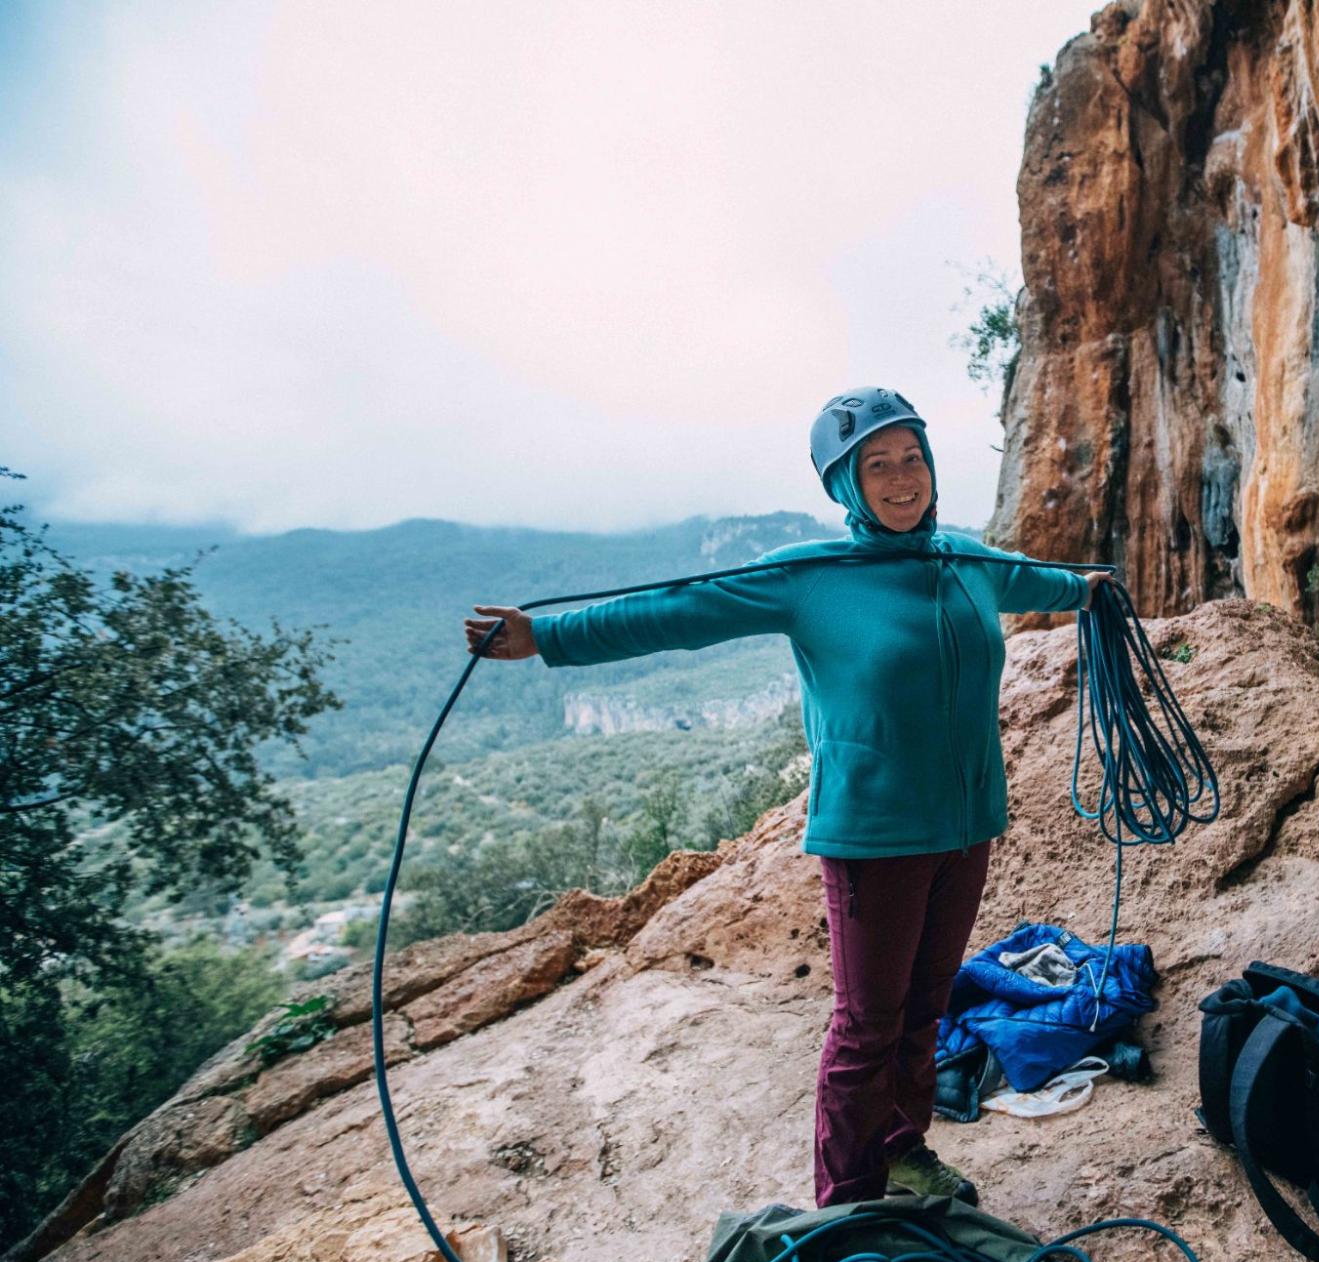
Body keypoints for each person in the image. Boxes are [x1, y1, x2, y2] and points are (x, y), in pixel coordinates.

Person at [463, 386, 1108, 1209]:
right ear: (845, 484)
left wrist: (1088, 590)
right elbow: (676, 613)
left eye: (912, 457)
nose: (902, 477)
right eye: (876, 465)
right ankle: (845, 1201)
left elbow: (1041, 583)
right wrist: (548, 635)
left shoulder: (966, 562)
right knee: (867, 1024)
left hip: (967, 827)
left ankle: (904, 1152)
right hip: (873, 837)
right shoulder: (809, 578)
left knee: (925, 1008)